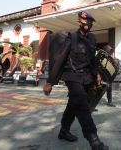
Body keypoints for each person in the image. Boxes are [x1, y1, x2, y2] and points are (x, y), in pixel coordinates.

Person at [43, 11, 109, 150]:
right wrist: (50, 82)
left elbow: (92, 60)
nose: (88, 24)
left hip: (87, 77)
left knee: (73, 104)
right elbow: (60, 59)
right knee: (82, 106)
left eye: (90, 22)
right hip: (72, 76)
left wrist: (97, 74)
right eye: (85, 21)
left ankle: (64, 131)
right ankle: (94, 141)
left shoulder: (92, 39)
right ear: (79, 22)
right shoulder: (71, 38)